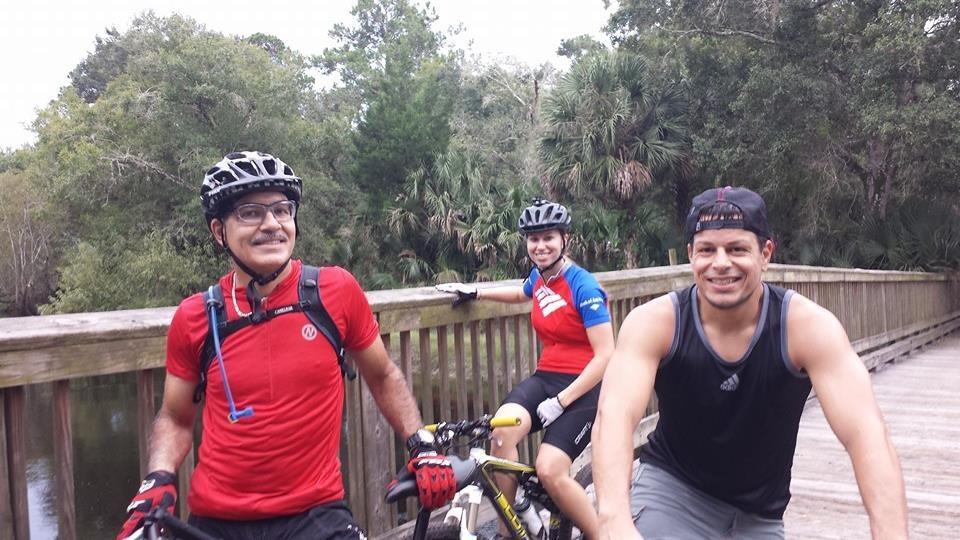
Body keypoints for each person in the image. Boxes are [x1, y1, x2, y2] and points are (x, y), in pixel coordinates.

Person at [117, 151, 456, 540]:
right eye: (250, 212)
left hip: (316, 513)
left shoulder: (334, 291)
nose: (272, 224)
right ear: (218, 230)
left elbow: (382, 376)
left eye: (282, 210)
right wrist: (157, 481)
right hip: (217, 520)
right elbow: (176, 418)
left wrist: (422, 446)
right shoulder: (195, 317)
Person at [591, 186, 909, 539]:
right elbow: (614, 415)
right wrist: (614, 518)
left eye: (737, 249)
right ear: (690, 255)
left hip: (759, 517)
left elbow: (867, 435)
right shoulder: (656, 322)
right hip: (673, 493)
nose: (721, 263)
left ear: (765, 253)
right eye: (707, 250)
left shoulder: (806, 328)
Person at [436, 198, 614, 539]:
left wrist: (562, 402)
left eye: (549, 237)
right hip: (546, 377)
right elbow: (522, 292)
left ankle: (599, 534)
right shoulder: (541, 278)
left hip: (585, 386)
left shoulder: (584, 286)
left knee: (549, 470)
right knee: (501, 434)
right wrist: (476, 292)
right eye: (534, 239)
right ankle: (510, 529)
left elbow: (606, 355)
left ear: (565, 240)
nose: (541, 245)